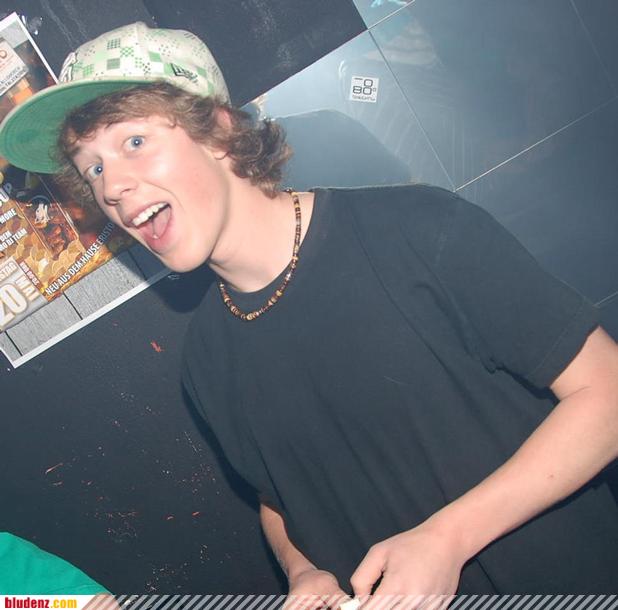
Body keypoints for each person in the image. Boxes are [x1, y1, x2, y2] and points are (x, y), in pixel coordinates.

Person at [0, 22, 617, 601]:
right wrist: (304, 571)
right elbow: (280, 499)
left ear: (217, 131)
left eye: (134, 142)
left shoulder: (415, 229)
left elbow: (606, 393)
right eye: (94, 168)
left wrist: (449, 538)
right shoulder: (205, 361)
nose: (111, 186)